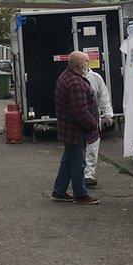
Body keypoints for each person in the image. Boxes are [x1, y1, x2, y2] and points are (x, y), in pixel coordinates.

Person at [51, 51, 100, 204]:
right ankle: (81, 195)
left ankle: (59, 191)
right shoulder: (75, 83)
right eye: (87, 61)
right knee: (79, 163)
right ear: (80, 64)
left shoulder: (66, 76)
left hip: (68, 129)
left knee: (68, 161)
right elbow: (80, 111)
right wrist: (93, 124)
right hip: (76, 131)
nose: (88, 64)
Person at [83, 66, 113, 187]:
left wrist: (108, 114)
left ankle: (88, 175)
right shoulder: (72, 78)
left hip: (93, 118)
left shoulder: (96, 78)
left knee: (92, 147)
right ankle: (79, 174)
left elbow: (103, 96)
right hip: (78, 119)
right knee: (79, 149)